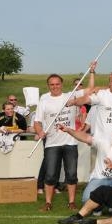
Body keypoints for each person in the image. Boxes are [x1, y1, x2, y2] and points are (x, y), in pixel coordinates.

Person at [34, 74, 87, 211]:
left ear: (61, 84)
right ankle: (48, 203)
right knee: (50, 175)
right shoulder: (44, 102)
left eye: (57, 84)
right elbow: (37, 122)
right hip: (52, 143)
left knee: (71, 174)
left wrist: (92, 72)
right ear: (48, 86)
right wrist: (40, 132)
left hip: (70, 142)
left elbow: (90, 90)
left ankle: (71, 202)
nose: (55, 86)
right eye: (52, 84)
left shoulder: (69, 97)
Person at [57, 124, 112, 204]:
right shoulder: (103, 142)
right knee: (86, 200)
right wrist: (68, 130)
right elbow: (85, 137)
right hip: (99, 178)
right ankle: (102, 206)